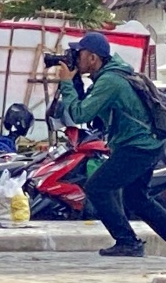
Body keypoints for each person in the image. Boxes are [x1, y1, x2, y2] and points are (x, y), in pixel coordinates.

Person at [54, 31, 166, 256]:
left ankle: (128, 242)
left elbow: (80, 114)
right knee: (136, 198)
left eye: (79, 54)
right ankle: (129, 242)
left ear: (93, 58)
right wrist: (75, 82)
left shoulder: (110, 81)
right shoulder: (112, 74)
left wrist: (66, 84)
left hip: (137, 146)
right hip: (147, 144)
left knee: (97, 187)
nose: (75, 58)